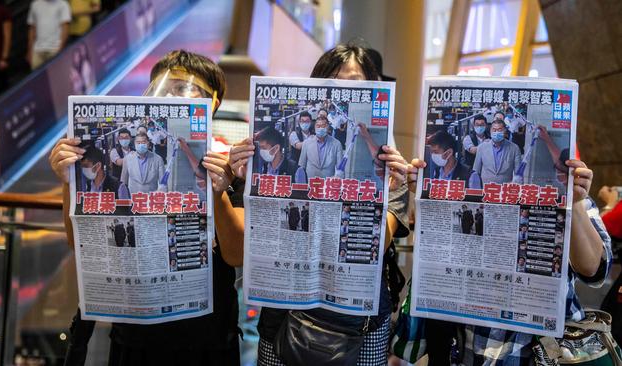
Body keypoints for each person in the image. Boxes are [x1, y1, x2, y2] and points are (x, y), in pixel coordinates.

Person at [49, 49, 243, 365]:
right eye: (160, 88)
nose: (169, 96)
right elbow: (80, 241)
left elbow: (235, 253)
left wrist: (218, 191)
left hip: (207, 338)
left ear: (212, 104)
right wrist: (69, 179)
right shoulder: (126, 161)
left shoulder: (228, 164)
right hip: (134, 333)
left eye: (184, 90)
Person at [228, 43, 415, 366]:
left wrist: (385, 190)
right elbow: (252, 238)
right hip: (285, 315)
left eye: (355, 82)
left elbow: (377, 244)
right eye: (331, 82)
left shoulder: (390, 169)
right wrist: (249, 176)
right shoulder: (289, 152)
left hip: (359, 324)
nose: (342, 91)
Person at [409, 151, 612, 365]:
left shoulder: (571, 198)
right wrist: (423, 190)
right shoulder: (464, 190)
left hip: (544, 350)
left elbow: (592, 269)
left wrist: (574, 202)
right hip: (468, 345)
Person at [471, 119, 522, 186]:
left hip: (505, 190)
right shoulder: (482, 147)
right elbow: (476, 171)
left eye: (499, 130)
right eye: (494, 130)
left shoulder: (514, 148)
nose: (496, 132)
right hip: (485, 189)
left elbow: (518, 174)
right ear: (490, 131)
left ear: (505, 131)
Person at [27, 0, 71, 69]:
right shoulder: (35, 4)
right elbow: (32, 29)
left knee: (56, 76)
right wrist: (30, 51)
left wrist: (60, 49)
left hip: (55, 49)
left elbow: (65, 28)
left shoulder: (62, 4)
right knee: (38, 78)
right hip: (38, 50)